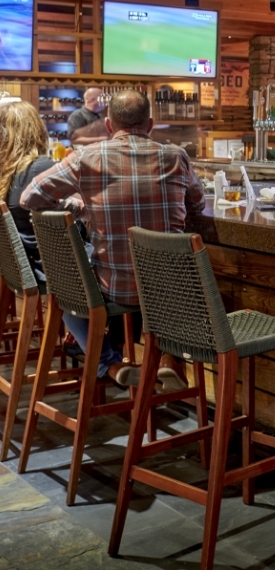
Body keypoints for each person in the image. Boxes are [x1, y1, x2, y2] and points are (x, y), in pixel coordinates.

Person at [22, 89, 206, 390]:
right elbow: (197, 205)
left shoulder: (87, 157)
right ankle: (171, 358)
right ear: (150, 125)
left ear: (108, 125)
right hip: (171, 293)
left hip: (114, 289)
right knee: (173, 281)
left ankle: (110, 362)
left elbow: (31, 197)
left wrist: (79, 207)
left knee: (68, 295)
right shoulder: (176, 156)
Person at [0, 101, 55, 281]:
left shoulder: (7, 171)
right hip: (50, 269)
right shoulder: (41, 168)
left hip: (18, 268)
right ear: (37, 129)